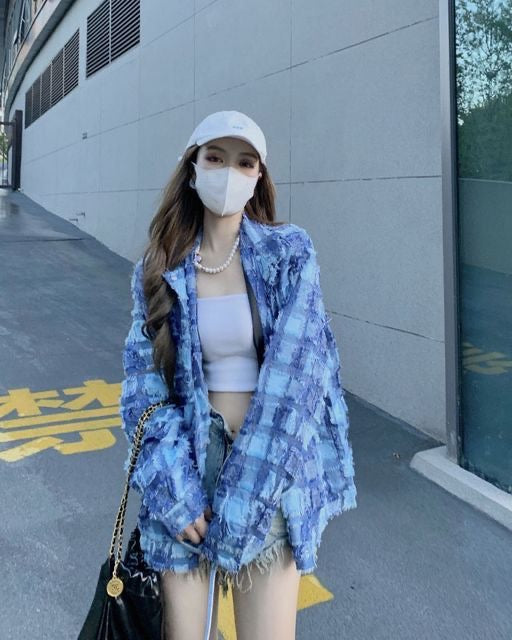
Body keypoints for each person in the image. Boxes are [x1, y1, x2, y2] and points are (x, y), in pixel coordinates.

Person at [119, 110, 357, 640]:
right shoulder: (158, 268)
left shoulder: (289, 254)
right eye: (216, 158)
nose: (230, 173)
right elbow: (142, 389)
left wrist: (245, 497)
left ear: (258, 177)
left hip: (269, 476)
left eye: (245, 162)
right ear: (192, 169)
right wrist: (173, 490)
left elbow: (300, 385)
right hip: (187, 473)